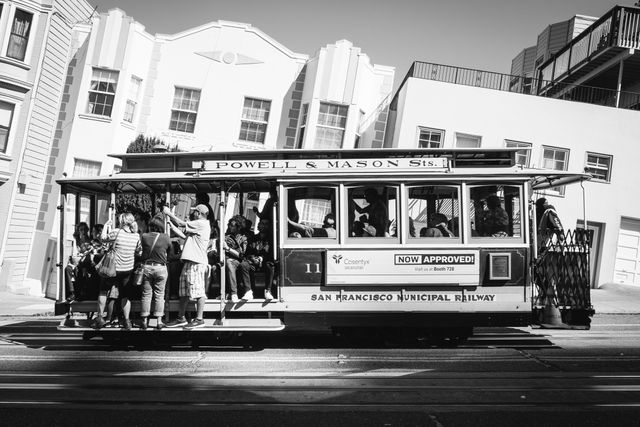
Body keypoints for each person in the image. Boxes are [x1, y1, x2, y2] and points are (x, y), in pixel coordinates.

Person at [164, 204, 211, 329]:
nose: (193, 214)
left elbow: (181, 223)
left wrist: (169, 213)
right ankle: (181, 317)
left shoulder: (201, 223)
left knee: (198, 291)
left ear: (199, 213)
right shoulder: (197, 227)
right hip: (189, 262)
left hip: (196, 262)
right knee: (184, 292)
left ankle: (199, 319)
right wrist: (171, 225)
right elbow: (184, 235)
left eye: (195, 211)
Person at [94, 213, 141, 330]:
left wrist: (105, 226)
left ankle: (100, 318)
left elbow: (103, 239)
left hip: (113, 269)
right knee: (125, 296)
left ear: (122, 221)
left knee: (103, 291)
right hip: (127, 269)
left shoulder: (116, 232)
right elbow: (139, 251)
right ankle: (127, 321)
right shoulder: (136, 236)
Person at [139, 219, 174, 330]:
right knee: (160, 295)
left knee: (146, 295)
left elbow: (142, 251)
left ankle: (144, 321)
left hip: (147, 267)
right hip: (161, 268)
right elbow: (170, 254)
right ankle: (159, 321)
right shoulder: (166, 237)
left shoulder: (144, 236)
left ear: (150, 227)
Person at [223, 217, 251, 302]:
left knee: (229, 262)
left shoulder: (243, 238)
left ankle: (233, 293)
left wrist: (228, 249)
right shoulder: (226, 237)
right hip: (226, 260)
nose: (230, 227)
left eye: (232, 225)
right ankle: (223, 293)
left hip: (238, 261)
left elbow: (241, 255)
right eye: (229, 225)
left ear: (238, 227)